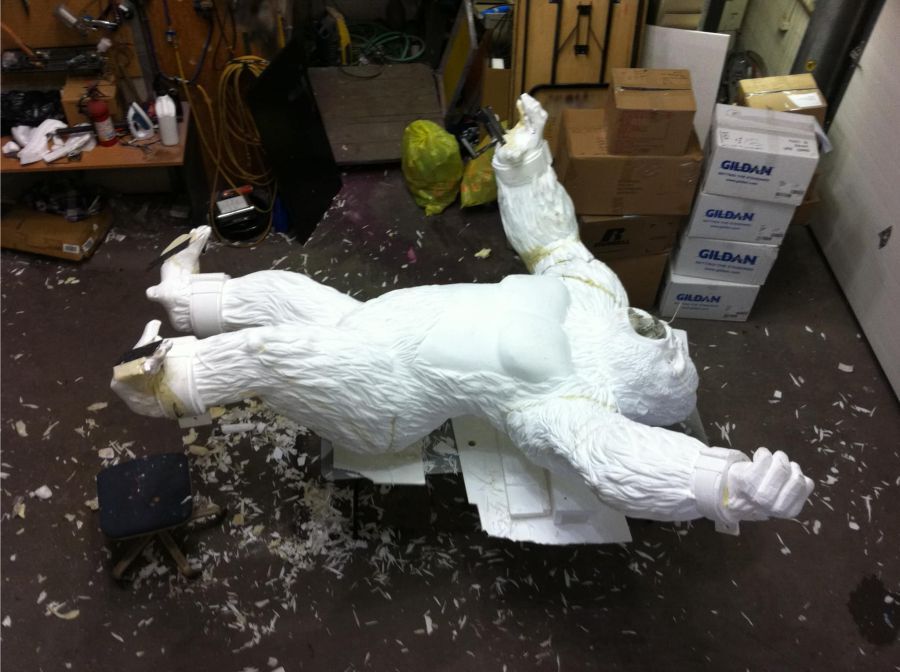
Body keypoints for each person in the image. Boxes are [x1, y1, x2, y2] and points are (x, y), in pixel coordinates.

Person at [112, 94, 813, 533]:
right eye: (679, 346)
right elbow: (552, 238)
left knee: (277, 352)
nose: (677, 345)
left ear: (648, 401)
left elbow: (616, 463)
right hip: (377, 324)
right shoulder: (596, 293)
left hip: (389, 399)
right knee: (282, 292)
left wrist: (717, 482)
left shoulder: (578, 401)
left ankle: (167, 382)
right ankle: (184, 299)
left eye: (677, 374)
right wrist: (524, 165)